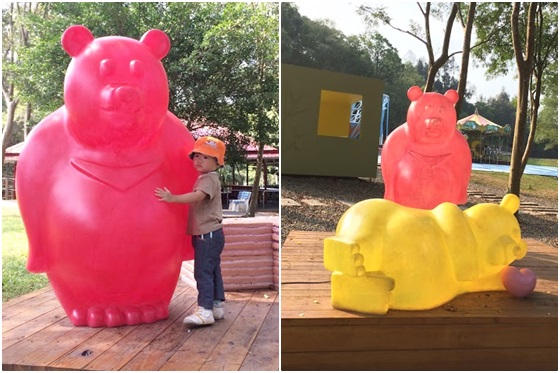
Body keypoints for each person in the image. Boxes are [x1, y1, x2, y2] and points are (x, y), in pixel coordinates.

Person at [155, 136, 226, 326]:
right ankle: (216, 305)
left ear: (217, 162)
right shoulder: (207, 177)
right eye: (197, 156)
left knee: (202, 272)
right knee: (212, 270)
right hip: (211, 233)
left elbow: (197, 197)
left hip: (207, 234)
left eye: (206, 157)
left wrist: (172, 198)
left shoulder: (208, 179)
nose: (199, 160)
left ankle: (205, 310)